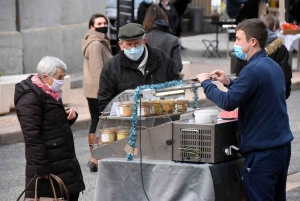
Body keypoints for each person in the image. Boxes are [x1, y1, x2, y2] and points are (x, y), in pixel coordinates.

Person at [197, 19, 293, 200]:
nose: (236, 44)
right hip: (281, 147)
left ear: (253, 42)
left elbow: (228, 102)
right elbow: (254, 90)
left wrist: (206, 83)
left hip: (263, 151)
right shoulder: (271, 66)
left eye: (239, 39)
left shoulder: (252, 69)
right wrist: (228, 82)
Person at [14, 56, 85, 201]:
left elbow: (51, 125)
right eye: (60, 77)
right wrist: (41, 168)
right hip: (48, 164)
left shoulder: (48, 91)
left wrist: (68, 117)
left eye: (63, 76)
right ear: (45, 77)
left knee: (69, 195)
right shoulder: (29, 98)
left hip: (62, 159)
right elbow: (32, 136)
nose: (62, 80)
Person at [97, 23, 181, 113]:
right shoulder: (111, 68)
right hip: (129, 123)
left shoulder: (162, 59)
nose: (133, 48)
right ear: (121, 45)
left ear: (144, 41)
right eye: (129, 45)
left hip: (160, 117)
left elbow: (176, 87)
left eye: (137, 44)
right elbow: (105, 103)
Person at [233, 14, 292, 99]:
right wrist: (284, 94)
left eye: (238, 39)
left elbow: (237, 74)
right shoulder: (281, 48)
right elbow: (285, 74)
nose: (236, 43)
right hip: (274, 96)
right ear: (273, 28)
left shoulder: (247, 47)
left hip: (248, 96)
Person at [82, 13, 112, 172]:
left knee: (98, 121)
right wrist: (104, 92)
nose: (103, 25)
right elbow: (97, 70)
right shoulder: (95, 43)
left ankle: (96, 157)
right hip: (98, 91)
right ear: (92, 27)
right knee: (98, 121)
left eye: (105, 22)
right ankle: (95, 157)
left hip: (95, 90)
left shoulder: (100, 40)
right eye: (99, 23)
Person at [143, 5, 182, 72]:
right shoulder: (173, 40)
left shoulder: (139, 40)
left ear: (146, 19)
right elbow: (178, 67)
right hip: (166, 81)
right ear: (164, 18)